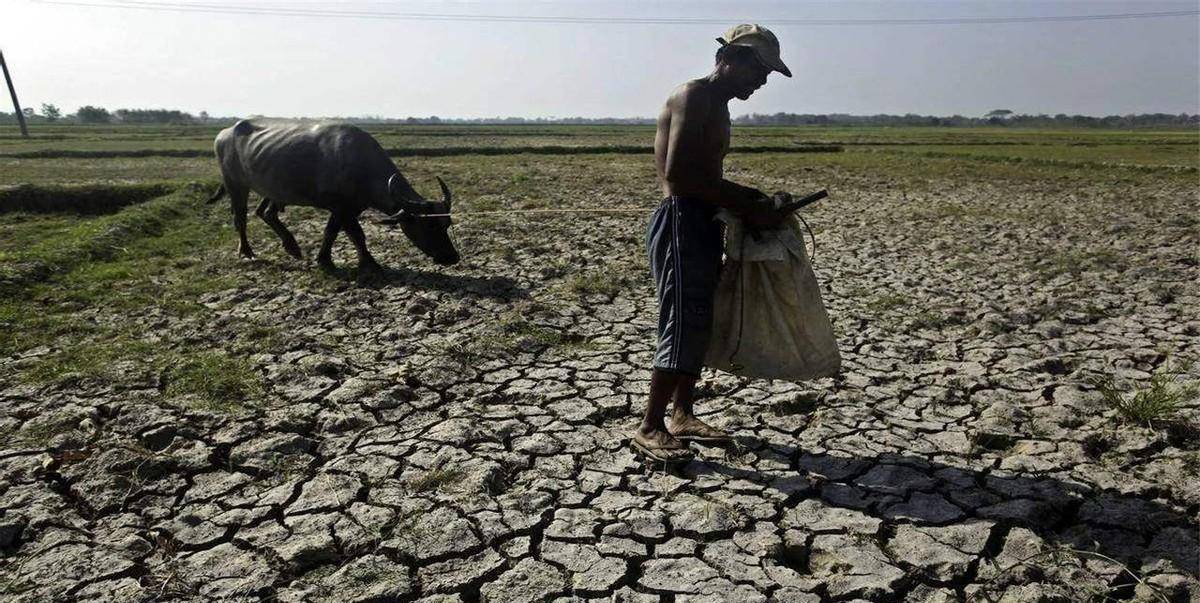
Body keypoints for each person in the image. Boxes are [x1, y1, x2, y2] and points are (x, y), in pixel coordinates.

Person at [633, 24, 793, 463]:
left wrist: (753, 201)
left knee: (701, 320)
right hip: (682, 221)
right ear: (731, 58)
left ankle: (683, 414)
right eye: (758, 71)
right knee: (683, 322)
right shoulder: (694, 96)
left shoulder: (719, 106)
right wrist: (748, 202)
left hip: (703, 222)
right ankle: (650, 425)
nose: (762, 82)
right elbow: (681, 176)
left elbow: (710, 179)